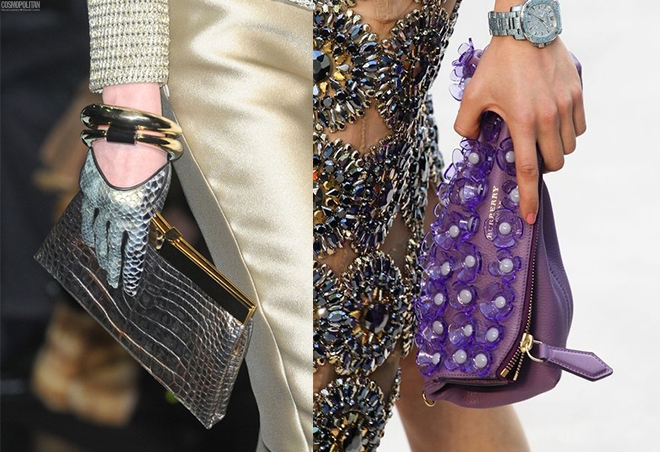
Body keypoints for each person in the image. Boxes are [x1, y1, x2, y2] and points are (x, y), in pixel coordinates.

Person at [80, 0, 584, 450]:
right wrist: (127, 90)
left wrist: (525, 22)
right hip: (249, 38)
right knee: (320, 408)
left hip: (408, 42)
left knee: (428, 343)